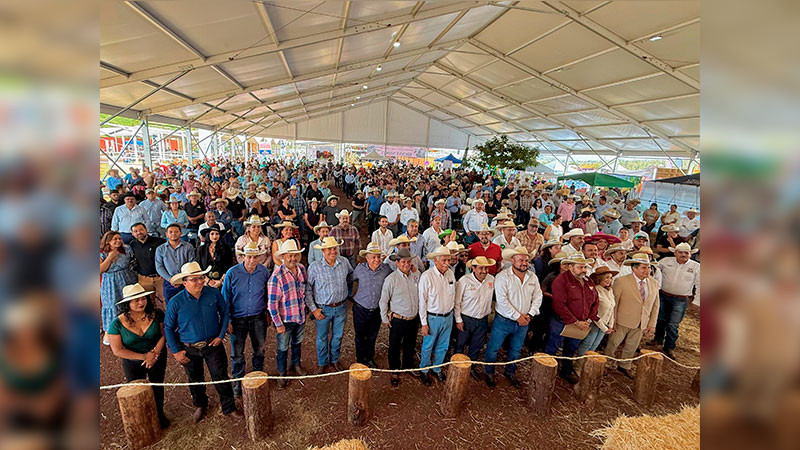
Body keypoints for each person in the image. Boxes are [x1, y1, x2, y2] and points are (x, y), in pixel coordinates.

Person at [164, 262, 243, 421]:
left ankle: (228, 407)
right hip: (189, 348)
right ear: (184, 282)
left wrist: (220, 335)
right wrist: (176, 351)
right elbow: (168, 328)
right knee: (194, 378)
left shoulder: (213, 293)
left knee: (220, 375)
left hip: (212, 344)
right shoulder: (175, 302)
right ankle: (200, 404)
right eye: (194, 279)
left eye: (201, 278)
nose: (199, 281)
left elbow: (224, 312)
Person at [107, 284, 170, 428]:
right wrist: (144, 357)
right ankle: (142, 420)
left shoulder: (157, 314)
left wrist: (154, 354)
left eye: (143, 298)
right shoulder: (116, 324)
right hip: (132, 360)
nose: (141, 302)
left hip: (157, 355)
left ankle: (159, 414)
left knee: (157, 386)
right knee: (136, 390)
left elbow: (164, 335)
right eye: (135, 300)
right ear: (127, 304)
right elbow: (118, 350)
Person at [484, 247, 542, 388]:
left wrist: (530, 314)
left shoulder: (532, 277)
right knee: (493, 348)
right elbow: (502, 301)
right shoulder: (502, 277)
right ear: (512, 260)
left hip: (524, 320)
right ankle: (489, 372)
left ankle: (510, 371)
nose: (524, 263)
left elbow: (538, 296)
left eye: (526, 260)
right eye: (521, 260)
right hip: (504, 320)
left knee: (516, 349)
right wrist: (518, 316)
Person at [221, 242, 270, 397]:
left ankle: (257, 378)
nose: (252, 260)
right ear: (242, 257)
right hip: (237, 319)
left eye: (255, 257)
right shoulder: (232, 273)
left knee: (259, 349)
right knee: (237, 353)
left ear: (259, 258)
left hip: (258, 316)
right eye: (249, 257)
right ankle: (237, 381)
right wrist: (227, 319)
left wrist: (268, 312)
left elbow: (268, 294)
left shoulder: (264, 272)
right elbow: (225, 298)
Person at [604, 253, 660, 379]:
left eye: (649, 267)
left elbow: (655, 306)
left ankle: (625, 365)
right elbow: (615, 303)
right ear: (634, 268)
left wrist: (652, 324)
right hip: (622, 320)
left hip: (641, 322)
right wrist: (613, 322)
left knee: (632, 345)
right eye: (643, 267)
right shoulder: (621, 281)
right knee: (613, 343)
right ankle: (607, 362)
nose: (647, 270)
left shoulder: (654, 283)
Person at [546, 253, 599, 384]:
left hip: (582, 322)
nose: (584, 270)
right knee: (553, 347)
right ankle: (546, 372)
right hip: (562, 321)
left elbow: (595, 300)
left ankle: (566, 371)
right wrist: (575, 321)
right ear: (570, 267)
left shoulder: (588, 281)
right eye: (580, 267)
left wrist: (589, 319)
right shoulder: (561, 281)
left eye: (585, 267)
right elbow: (559, 304)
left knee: (571, 349)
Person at [306, 237, 354, 373]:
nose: (332, 251)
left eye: (334, 248)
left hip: (340, 307)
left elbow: (351, 277)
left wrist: (348, 293)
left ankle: (334, 360)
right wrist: (314, 310)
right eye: (329, 249)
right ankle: (322, 362)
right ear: (323, 251)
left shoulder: (344, 262)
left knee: (338, 336)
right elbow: (308, 289)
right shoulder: (315, 267)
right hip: (323, 309)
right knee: (322, 337)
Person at [266, 240, 308, 388]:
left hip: (300, 315)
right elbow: (272, 304)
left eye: (295, 255)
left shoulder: (302, 269)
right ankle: (282, 373)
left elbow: (304, 290)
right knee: (283, 347)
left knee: (297, 342)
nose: (293, 258)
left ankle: (295, 365)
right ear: (283, 256)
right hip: (285, 319)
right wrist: (278, 324)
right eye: (289, 255)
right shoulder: (276, 276)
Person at [379, 248, 422, 387]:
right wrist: (385, 318)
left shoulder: (416, 275)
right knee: (395, 345)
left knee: (410, 344)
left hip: (413, 318)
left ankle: (408, 366)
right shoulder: (391, 279)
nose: (406, 264)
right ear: (397, 263)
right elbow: (383, 300)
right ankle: (394, 370)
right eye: (403, 261)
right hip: (398, 319)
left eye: (408, 261)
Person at [651, 242, 700, 359]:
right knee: (661, 319)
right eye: (681, 252)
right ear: (675, 253)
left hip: (681, 299)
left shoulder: (696, 266)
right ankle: (657, 340)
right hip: (663, 295)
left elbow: (700, 284)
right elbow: (654, 268)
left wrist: (697, 301)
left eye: (686, 253)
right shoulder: (665, 261)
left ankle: (669, 346)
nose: (683, 255)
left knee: (673, 324)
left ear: (690, 254)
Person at [418, 246, 456, 386]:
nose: (447, 263)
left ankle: (437, 368)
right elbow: (422, 302)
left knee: (443, 345)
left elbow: (454, 296)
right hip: (432, 317)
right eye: (444, 260)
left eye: (449, 260)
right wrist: (424, 323)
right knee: (428, 346)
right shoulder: (427, 276)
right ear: (435, 260)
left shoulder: (450, 274)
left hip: (448, 316)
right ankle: (424, 370)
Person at [351, 242, 394, 368]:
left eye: (378, 257)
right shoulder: (359, 269)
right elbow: (351, 279)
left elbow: (395, 280)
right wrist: (351, 295)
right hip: (360, 308)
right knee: (359, 336)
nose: (376, 260)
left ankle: (369, 358)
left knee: (372, 336)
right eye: (373, 257)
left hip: (376, 310)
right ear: (367, 258)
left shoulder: (386, 269)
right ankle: (360, 360)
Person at [454, 256, 495, 380]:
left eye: (486, 268)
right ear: (473, 268)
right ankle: (457, 367)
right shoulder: (464, 281)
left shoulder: (491, 280)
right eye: (481, 268)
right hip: (466, 318)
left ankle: (471, 367)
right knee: (460, 344)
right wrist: (458, 319)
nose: (484, 271)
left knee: (476, 345)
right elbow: (457, 302)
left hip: (483, 319)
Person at [100, 231, 137, 344]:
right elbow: (100, 269)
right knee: (112, 304)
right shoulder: (102, 253)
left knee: (127, 304)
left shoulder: (127, 248)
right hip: (110, 282)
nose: (118, 241)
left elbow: (133, 261)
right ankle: (109, 331)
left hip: (127, 278)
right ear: (108, 241)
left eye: (119, 238)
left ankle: (128, 328)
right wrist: (110, 257)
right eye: (114, 239)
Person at [576, 266, 618, 356]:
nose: (609, 280)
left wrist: (610, 325)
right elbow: (593, 312)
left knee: (594, 346)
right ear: (600, 278)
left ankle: (588, 364)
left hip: (605, 324)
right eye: (606, 277)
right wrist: (604, 328)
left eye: (610, 278)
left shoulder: (610, 290)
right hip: (595, 323)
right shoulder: (595, 291)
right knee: (587, 344)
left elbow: (612, 308)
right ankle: (578, 365)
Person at [129, 222, 167, 309]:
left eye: (141, 229)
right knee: (147, 302)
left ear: (146, 230)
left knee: (165, 300)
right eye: (136, 231)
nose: (139, 232)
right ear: (132, 234)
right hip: (143, 279)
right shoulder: (133, 245)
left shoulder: (159, 242)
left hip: (160, 278)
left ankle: (165, 321)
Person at [154, 223, 195, 302]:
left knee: (188, 303)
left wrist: (183, 279)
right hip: (169, 282)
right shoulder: (160, 249)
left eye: (176, 232)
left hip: (186, 281)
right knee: (171, 305)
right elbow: (159, 266)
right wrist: (171, 280)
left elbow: (191, 263)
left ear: (181, 233)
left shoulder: (188, 246)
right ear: (166, 234)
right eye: (170, 232)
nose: (173, 234)